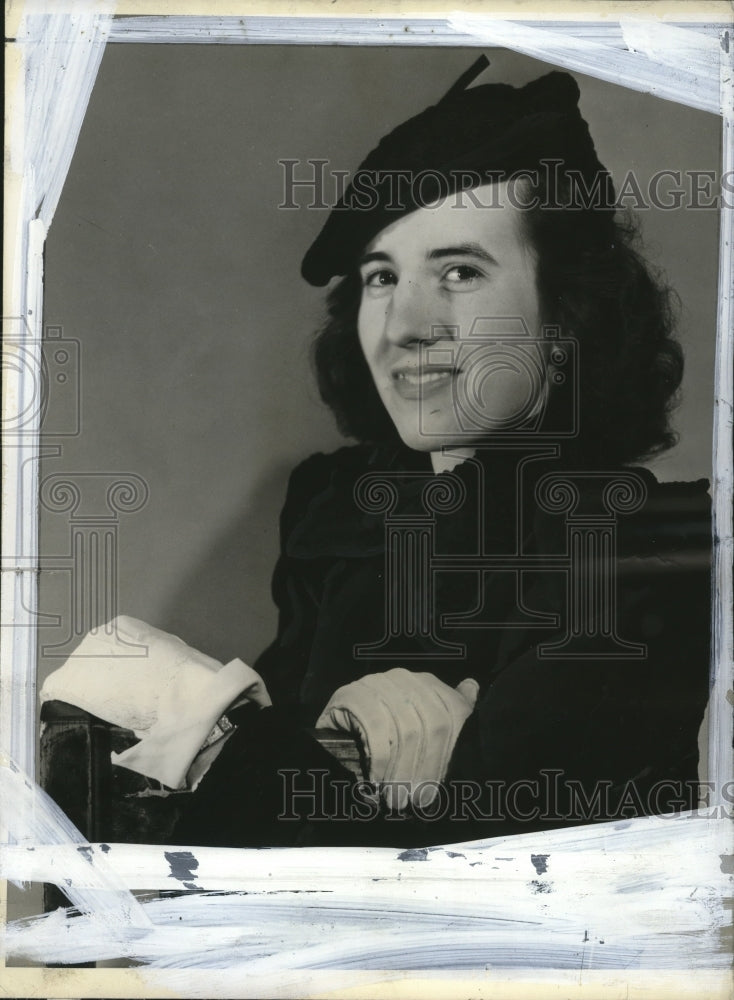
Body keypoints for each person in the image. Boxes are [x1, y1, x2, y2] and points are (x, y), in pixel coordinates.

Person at [173, 58, 711, 848]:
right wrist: (335, 734)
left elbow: (478, 864)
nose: (404, 326)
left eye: (460, 270)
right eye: (381, 278)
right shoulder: (338, 517)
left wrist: (271, 746)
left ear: (565, 324)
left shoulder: (645, 555)